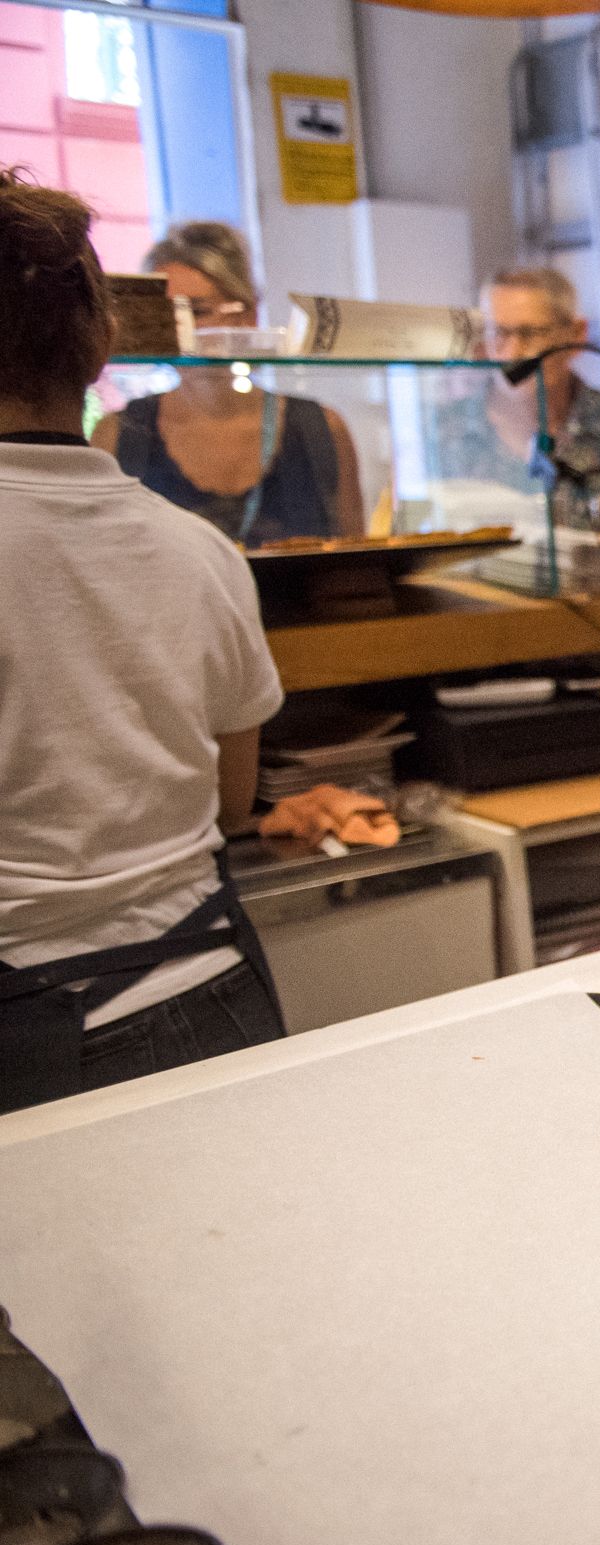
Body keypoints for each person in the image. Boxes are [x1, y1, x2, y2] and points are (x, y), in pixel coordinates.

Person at [0, 171, 286, 1114]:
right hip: (212, 988)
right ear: (104, 338)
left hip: (26, 1026)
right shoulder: (198, 548)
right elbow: (231, 798)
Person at [94, 221, 365, 544]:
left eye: (195, 311)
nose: (178, 330)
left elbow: (355, 566)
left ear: (246, 314)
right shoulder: (117, 434)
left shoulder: (322, 429)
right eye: (164, 315)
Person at [432, 265, 600, 544]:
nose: (514, 352)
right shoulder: (442, 429)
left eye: (530, 333)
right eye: (499, 333)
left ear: (575, 335)